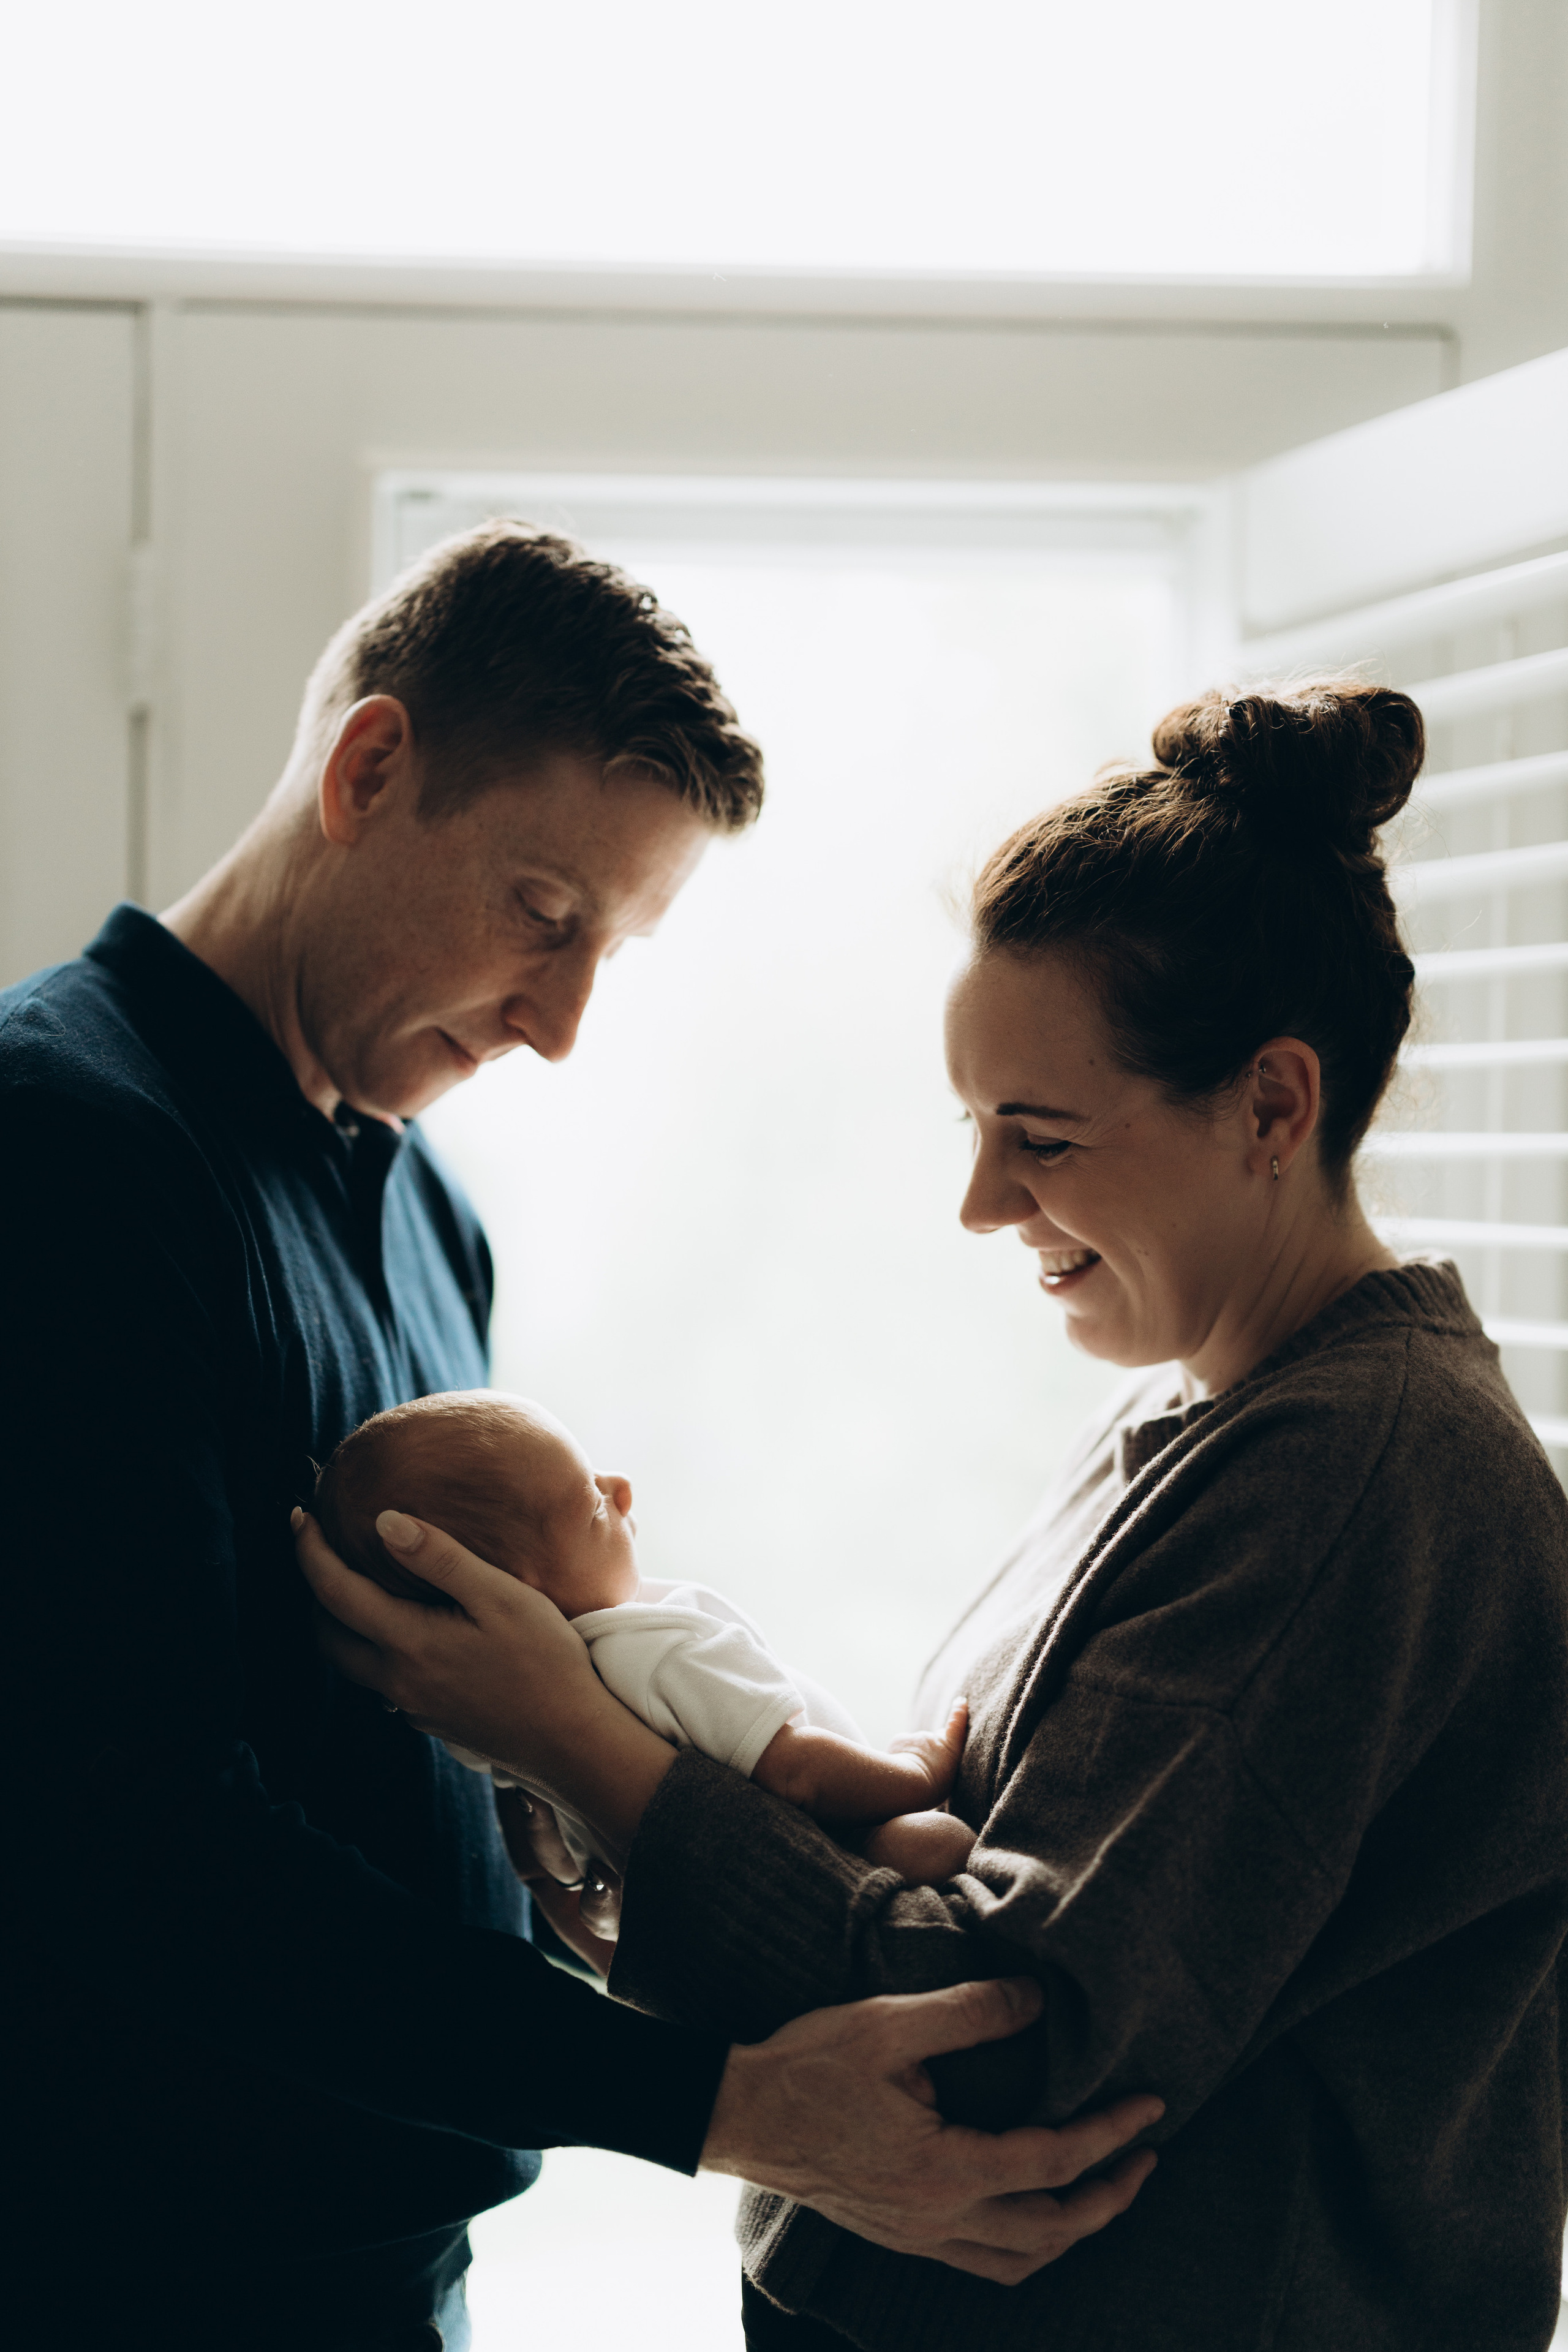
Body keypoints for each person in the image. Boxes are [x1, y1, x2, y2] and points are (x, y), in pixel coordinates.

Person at [300, 677, 1568, 2352]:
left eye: (1037, 1138)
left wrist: (583, 1739)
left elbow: (996, 2043)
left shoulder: (1360, 1483)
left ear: (1272, 1105)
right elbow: (970, 1881)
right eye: (974, 1129)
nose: (979, 1205)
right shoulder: (1196, 1417)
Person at [1, 521, 1157, 2352]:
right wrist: (725, 2102)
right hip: (132, 2278)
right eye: (546, 916)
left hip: (391, 2264)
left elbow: (393, 1776)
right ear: (370, 769)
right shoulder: (65, 1151)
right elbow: (129, 1836)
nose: (559, 1022)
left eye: (612, 946)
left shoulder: (425, 1210)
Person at [312, 1387, 978, 1921]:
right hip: (831, 1859)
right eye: (593, 1503)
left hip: (684, 1920)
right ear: (513, 1591)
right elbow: (797, 1773)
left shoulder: (478, 1715)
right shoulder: (657, 1649)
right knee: (937, 1844)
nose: (620, 1487)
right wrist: (915, 1771)